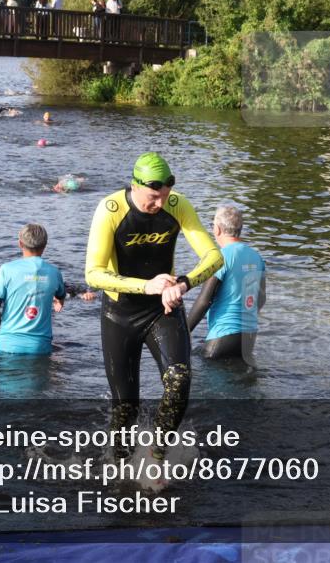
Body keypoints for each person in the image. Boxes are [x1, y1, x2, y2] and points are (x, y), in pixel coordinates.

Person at [85, 152, 222, 459]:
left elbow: (215, 257)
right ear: (135, 186)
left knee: (179, 381)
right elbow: (93, 274)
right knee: (125, 409)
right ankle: (120, 468)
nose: (159, 204)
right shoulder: (111, 210)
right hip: (119, 314)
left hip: (164, 310)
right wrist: (145, 285)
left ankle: (156, 454)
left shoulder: (177, 206)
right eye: (153, 197)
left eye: (164, 196)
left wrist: (183, 283)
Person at [187, 206, 266, 360]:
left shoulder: (219, 258)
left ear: (217, 229)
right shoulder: (257, 257)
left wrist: (183, 332)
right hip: (248, 338)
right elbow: (261, 299)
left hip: (222, 336)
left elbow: (204, 301)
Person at [0, 223, 66, 355]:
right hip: (40, 346)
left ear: (20, 244)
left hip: (8, 345)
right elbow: (61, 294)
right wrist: (59, 301)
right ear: (45, 245)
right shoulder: (54, 272)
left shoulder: (7, 269)